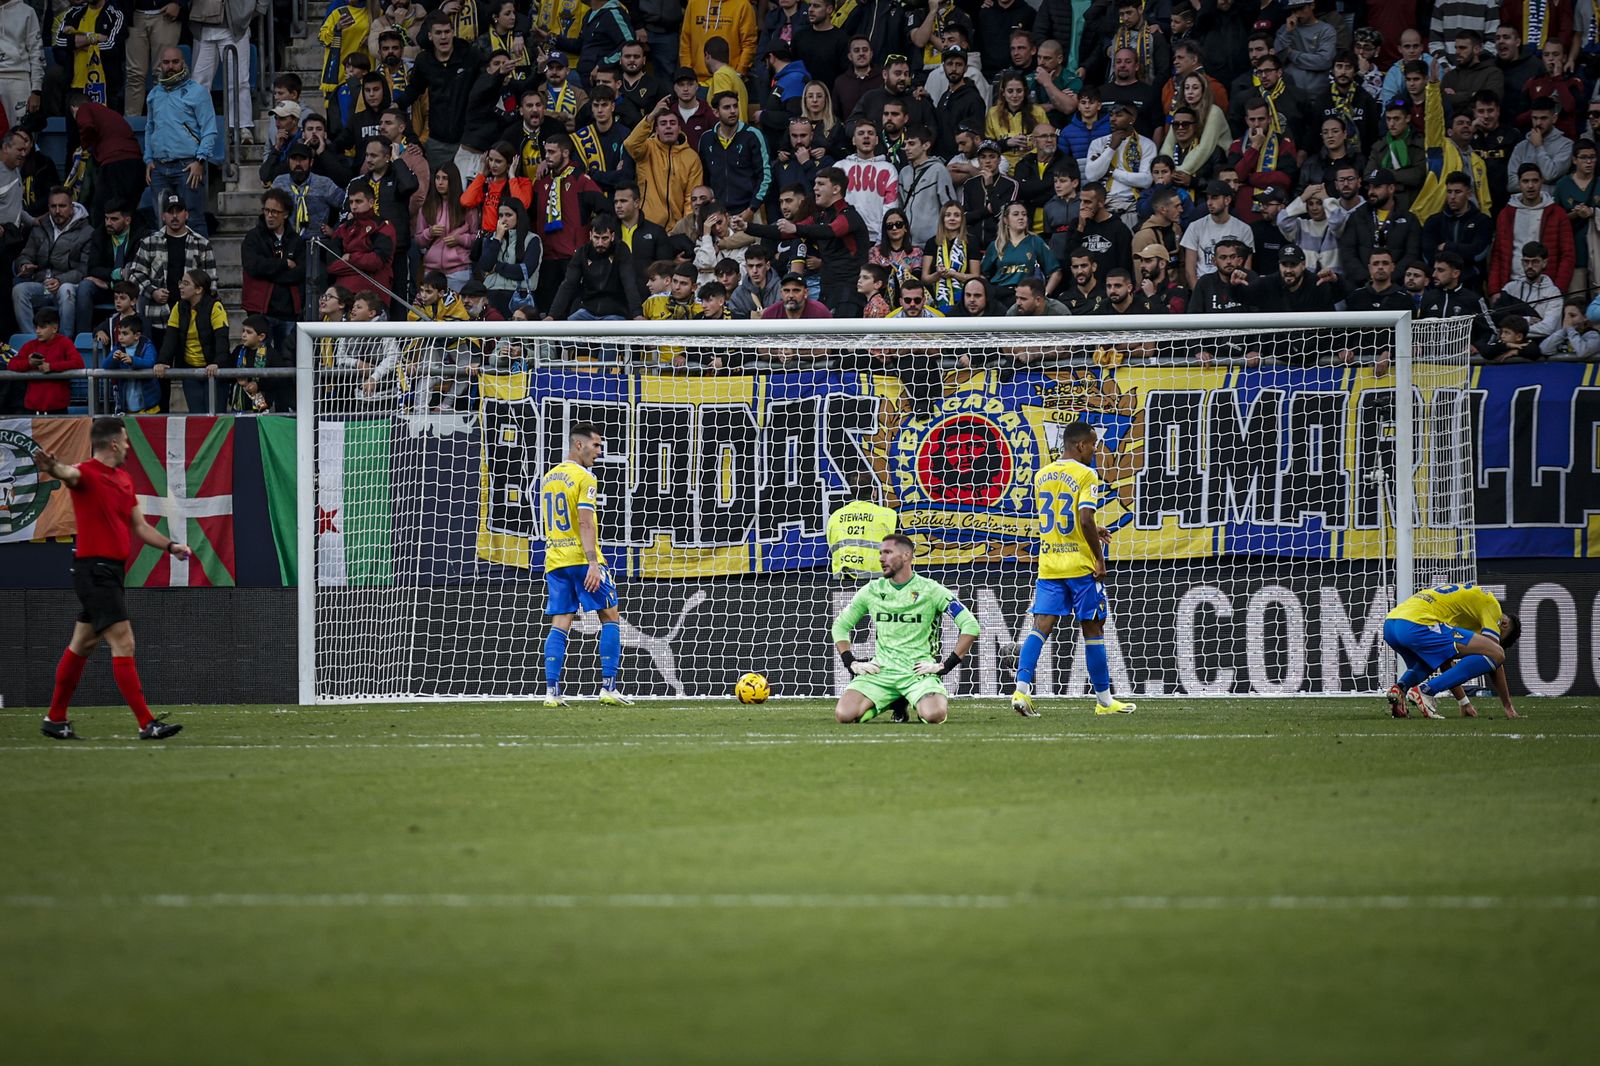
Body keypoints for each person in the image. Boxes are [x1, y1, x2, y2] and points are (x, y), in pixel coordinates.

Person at [33, 417, 189, 741]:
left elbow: (141, 527)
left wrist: (171, 546)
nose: (129, 446)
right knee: (124, 641)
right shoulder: (86, 473)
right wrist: (54, 466)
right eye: (127, 440)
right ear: (114, 443)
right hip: (94, 571)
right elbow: (69, 474)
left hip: (112, 573)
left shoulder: (124, 480)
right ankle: (147, 723)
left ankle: (55, 718)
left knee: (83, 644)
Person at [1011, 420, 1136, 718]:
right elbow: (1083, 519)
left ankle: (1021, 690)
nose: (1095, 449)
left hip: (1051, 564)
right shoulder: (1086, 474)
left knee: (1040, 626)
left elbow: (1060, 516)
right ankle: (1105, 702)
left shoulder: (1042, 475)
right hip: (1080, 566)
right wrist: (1099, 558)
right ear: (1080, 445)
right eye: (1093, 444)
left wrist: (1093, 528)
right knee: (1093, 629)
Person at [831, 533, 979, 725]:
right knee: (844, 715)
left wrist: (944, 665)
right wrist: (851, 662)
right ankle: (895, 700)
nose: (881, 558)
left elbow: (970, 625)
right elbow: (840, 626)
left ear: (906, 556)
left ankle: (909, 700)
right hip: (882, 672)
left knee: (934, 715)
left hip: (917, 674)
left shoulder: (931, 590)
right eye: (880, 553)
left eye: (888, 552)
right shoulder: (872, 590)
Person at [540, 422, 629, 707]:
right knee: (610, 615)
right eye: (596, 445)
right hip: (582, 559)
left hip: (555, 560)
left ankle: (552, 693)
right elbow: (585, 521)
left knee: (560, 622)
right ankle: (608, 687)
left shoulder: (549, 477)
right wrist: (593, 563)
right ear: (579, 445)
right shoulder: (585, 478)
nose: (599, 451)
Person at [1382, 581, 1521, 720]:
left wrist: (1464, 702)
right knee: (1497, 654)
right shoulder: (1493, 607)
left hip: (1391, 625)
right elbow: (1495, 655)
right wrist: (1508, 706)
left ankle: (1400, 689)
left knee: (1433, 660)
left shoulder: (1465, 611)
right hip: (1416, 624)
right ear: (1504, 624)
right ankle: (1425, 692)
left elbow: (1445, 663)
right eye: (1499, 638)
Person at [143, 46, 218, 235]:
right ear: (160, 64)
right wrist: (149, 159)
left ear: (183, 63)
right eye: (166, 62)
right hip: (159, 167)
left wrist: (200, 160)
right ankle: (166, 263)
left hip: (188, 166)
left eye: (175, 62)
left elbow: (210, 130)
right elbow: (150, 127)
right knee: (161, 220)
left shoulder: (197, 92)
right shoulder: (154, 94)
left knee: (193, 218)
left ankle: (202, 264)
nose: (170, 67)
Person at [13, 187, 92, 336]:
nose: (57, 211)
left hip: (68, 285)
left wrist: (60, 280)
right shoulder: (41, 227)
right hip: (41, 284)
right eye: (53, 206)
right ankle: (32, 341)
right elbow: (26, 254)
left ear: (72, 207)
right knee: (19, 290)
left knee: (65, 289)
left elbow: (84, 269)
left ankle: (64, 341)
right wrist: (24, 265)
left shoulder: (86, 232)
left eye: (62, 206)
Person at [240, 189, 305, 356]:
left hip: (288, 312)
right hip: (261, 310)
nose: (270, 215)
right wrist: (283, 264)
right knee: (261, 357)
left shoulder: (296, 240)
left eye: (275, 211)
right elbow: (253, 266)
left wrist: (270, 271)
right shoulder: (253, 237)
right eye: (267, 210)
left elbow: (299, 272)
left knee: (288, 357)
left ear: (285, 214)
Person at [625, 99, 706, 231]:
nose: (668, 126)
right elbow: (630, 144)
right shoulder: (647, 148)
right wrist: (651, 116)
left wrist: (686, 228)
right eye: (663, 123)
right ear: (656, 129)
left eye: (672, 123)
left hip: (676, 228)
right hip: (646, 224)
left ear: (679, 129)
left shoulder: (691, 157)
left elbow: (691, 198)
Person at [156, 269, 229, 413]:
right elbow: (170, 337)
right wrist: (162, 361)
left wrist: (217, 363)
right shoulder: (178, 307)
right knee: (197, 417)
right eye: (180, 282)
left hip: (213, 370)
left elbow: (222, 339)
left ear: (199, 289)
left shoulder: (215, 307)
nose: (180, 287)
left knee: (215, 417)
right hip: (190, 370)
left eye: (185, 283)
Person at [548, 213, 643, 322]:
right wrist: (552, 315)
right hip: (587, 311)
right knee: (568, 329)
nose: (600, 243)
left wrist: (637, 314)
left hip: (615, 312)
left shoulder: (621, 251)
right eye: (596, 238)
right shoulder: (582, 253)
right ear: (590, 235)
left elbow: (629, 283)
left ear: (612, 236)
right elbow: (568, 284)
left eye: (605, 238)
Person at [7, 309, 83, 414]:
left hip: (57, 408)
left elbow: (78, 363)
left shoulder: (65, 343)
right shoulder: (30, 345)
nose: (38, 331)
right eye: (36, 327)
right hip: (32, 408)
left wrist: (51, 367)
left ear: (54, 328)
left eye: (42, 327)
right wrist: (29, 363)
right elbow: (12, 364)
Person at [102, 314, 161, 414]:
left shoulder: (147, 346)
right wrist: (113, 359)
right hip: (127, 405)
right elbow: (105, 366)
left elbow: (150, 362)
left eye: (125, 334)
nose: (120, 337)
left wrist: (133, 360)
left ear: (137, 335)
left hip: (148, 406)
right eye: (119, 333)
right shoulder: (118, 348)